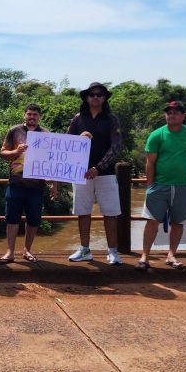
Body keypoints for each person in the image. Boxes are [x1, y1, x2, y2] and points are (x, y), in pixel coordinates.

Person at [136, 101, 186, 270]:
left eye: (176, 112)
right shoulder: (156, 135)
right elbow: (150, 163)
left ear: (183, 115)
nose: (171, 115)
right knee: (152, 221)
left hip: (183, 186)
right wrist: (150, 186)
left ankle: (171, 255)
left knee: (178, 222)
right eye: (169, 112)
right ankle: (144, 256)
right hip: (159, 186)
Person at [65, 82, 123, 265]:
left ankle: (112, 251)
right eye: (92, 94)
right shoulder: (77, 119)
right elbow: (66, 143)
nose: (95, 97)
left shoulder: (111, 119)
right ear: (86, 98)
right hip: (80, 174)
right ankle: (84, 250)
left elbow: (116, 146)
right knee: (83, 212)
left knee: (110, 213)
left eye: (99, 94)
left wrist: (98, 167)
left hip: (105, 174)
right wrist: (78, 138)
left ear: (104, 97)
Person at [0, 104, 58, 264]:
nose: (32, 117)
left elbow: (51, 161)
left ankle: (27, 250)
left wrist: (54, 184)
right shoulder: (14, 131)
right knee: (11, 218)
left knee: (34, 219)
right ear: (24, 115)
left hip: (37, 186)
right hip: (16, 183)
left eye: (35, 115)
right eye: (29, 114)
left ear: (39, 117)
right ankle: (10, 252)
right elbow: (2, 153)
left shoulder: (46, 134)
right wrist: (15, 152)